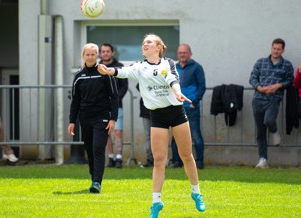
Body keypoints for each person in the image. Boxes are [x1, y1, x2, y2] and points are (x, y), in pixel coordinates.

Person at [98, 34, 205, 218]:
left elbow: (173, 80)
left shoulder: (168, 63)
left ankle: (196, 193)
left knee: (186, 155)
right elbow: (123, 72)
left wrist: (178, 93)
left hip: (176, 112)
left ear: (158, 47)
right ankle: (156, 202)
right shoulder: (140, 67)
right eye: (143, 43)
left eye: (149, 42)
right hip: (157, 116)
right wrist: (109, 71)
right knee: (159, 160)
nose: (145, 44)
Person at [68, 43, 118, 193]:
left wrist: (113, 118)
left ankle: (97, 182)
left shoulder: (104, 73)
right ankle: (94, 176)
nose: (90, 57)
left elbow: (114, 96)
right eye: (87, 55)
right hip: (85, 118)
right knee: (89, 150)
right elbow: (75, 100)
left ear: (97, 56)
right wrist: (72, 121)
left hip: (102, 117)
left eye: (93, 54)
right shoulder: (79, 76)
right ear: (83, 56)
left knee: (97, 148)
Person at [249, 38, 294, 168]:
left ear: (283, 50)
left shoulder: (287, 65)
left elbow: (290, 80)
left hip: (274, 99)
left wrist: (279, 85)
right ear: (271, 48)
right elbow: (252, 77)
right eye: (274, 48)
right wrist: (259, 88)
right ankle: (263, 159)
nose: (276, 51)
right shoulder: (260, 62)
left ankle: (274, 132)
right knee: (260, 131)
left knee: (269, 121)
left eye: (278, 49)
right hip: (258, 98)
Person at [170, 43, 206, 169]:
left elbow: (202, 86)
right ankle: (176, 161)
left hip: (191, 107)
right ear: (177, 54)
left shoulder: (197, 68)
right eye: (180, 53)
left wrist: (194, 103)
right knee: (175, 137)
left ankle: (200, 161)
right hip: (176, 107)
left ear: (190, 54)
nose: (182, 55)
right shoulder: (173, 67)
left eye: (184, 52)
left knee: (195, 135)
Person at [99, 43, 128, 168]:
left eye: (107, 51)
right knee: (106, 133)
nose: (105, 53)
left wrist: (115, 99)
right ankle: (110, 157)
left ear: (112, 53)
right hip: (102, 106)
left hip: (117, 106)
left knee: (118, 132)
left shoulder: (119, 67)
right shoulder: (97, 67)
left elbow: (124, 87)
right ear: (100, 53)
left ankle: (119, 158)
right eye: (103, 51)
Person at [136, 83, 153, 168]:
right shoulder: (145, 75)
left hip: (157, 110)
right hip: (145, 110)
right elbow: (138, 86)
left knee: (157, 135)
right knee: (148, 136)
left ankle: (158, 159)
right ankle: (150, 159)